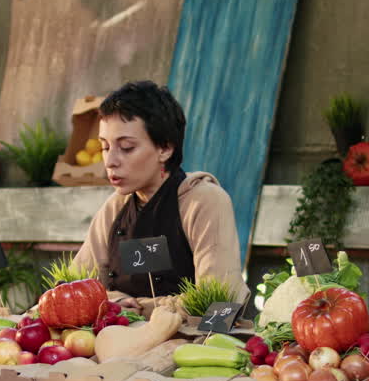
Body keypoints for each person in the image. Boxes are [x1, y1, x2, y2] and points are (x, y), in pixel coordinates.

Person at [74, 81, 246, 313]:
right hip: (117, 340)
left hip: (189, 343)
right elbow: (74, 288)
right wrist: (111, 303)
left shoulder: (205, 201)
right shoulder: (115, 207)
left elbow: (223, 303)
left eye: (126, 147)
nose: (110, 161)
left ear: (165, 149)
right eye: (105, 147)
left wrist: (137, 307)